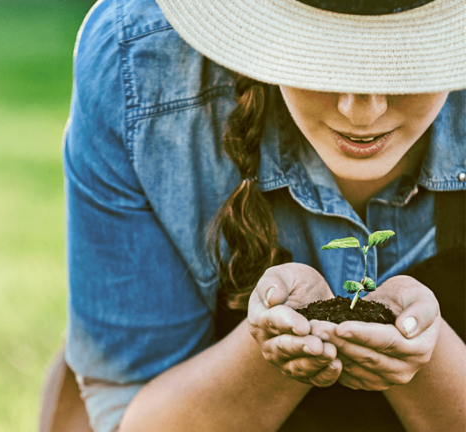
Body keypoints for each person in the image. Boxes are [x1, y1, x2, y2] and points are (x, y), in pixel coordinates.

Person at [63, 0, 466, 431]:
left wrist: (429, 355)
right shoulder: (139, 65)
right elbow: (127, 417)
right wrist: (278, 344)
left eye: (402, 63)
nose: (360, 111)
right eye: (320, 54)